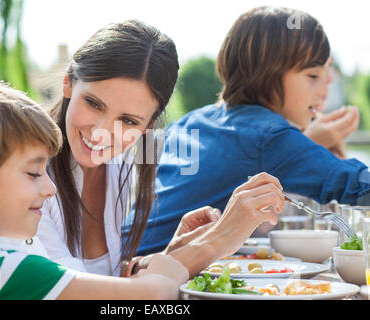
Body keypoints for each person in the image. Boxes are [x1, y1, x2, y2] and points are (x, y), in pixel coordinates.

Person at [33, 19, 285, 278]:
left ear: (147, 126)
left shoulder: (117, 165)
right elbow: (68, 289)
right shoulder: (26, 171)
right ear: (68, 83)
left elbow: (104, 278)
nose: (101, 133)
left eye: (128, 120)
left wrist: (172, 254)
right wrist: (218, 240)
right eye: (93, 104)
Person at [0, 71, 189, 299]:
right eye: (34, 173)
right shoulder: (16, 271)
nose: (50, 188)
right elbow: (153, 294)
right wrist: (167, 272)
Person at [129, 6, 370, 256]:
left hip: (123, 259)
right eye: (312, 75)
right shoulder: (270, 135)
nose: (324, 90)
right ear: (268, 76)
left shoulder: (193, 121)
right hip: (152, 279)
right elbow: (357, 186)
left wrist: (307, 142)